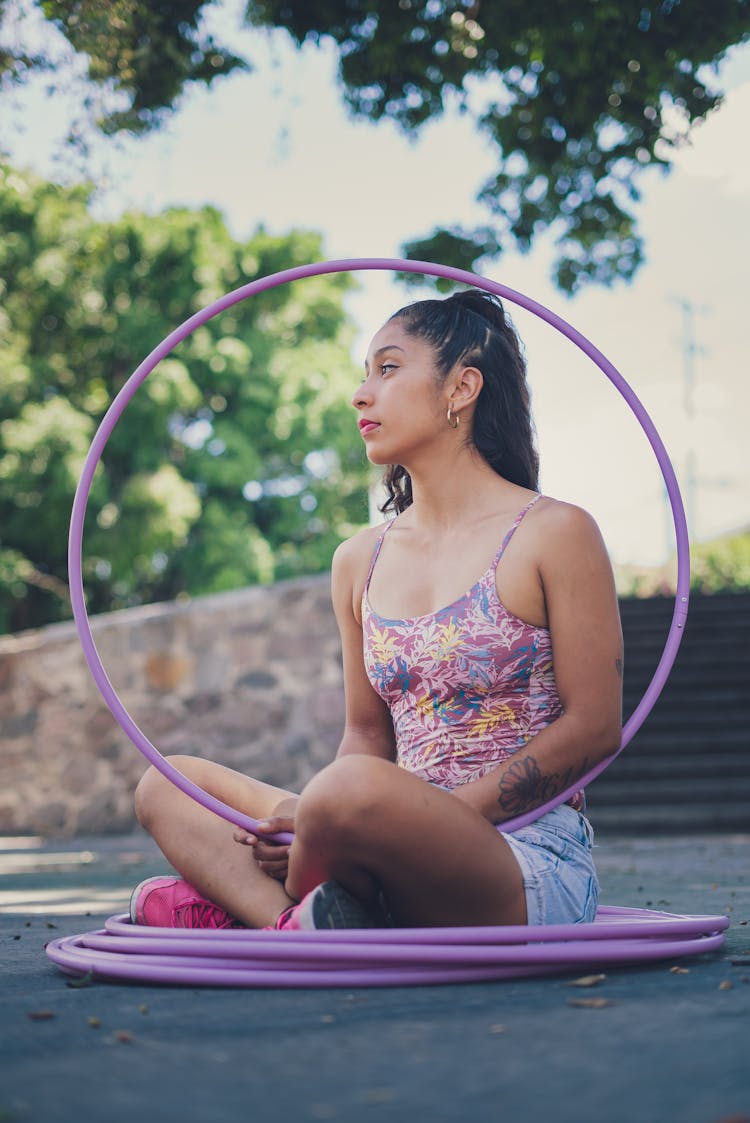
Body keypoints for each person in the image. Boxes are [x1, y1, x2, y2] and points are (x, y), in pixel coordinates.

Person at [130, 288, 623, 932]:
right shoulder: (357, 559)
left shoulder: (555, 531)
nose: (361, 394)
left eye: (387, 369)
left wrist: (354, 825)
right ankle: (298, 926)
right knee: (168, 783)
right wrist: (324, 832)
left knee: (346, 794)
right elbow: (366, 734)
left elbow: (595, 728)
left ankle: (254, 910)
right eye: (365, 375)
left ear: (462, 387)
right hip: (373, 830)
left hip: (521, 856)